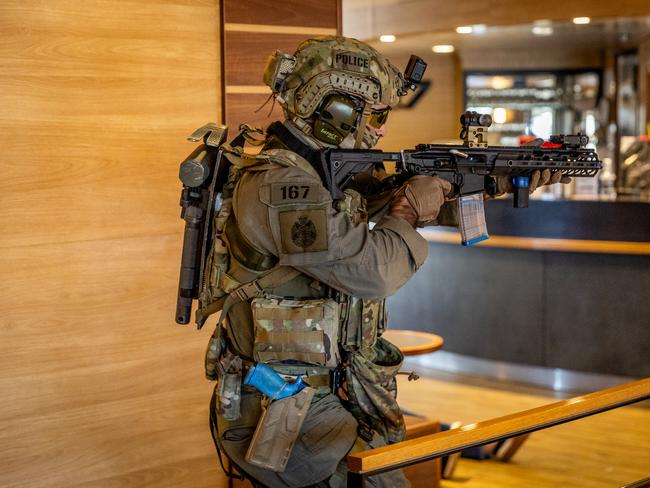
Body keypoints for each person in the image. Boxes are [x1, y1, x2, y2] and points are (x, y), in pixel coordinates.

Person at [201, 35, 563, 488]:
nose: (381, 130)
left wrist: (495, 181)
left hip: (329, 392)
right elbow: (370, 270)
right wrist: (408, 209)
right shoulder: (280, 185)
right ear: (334, 110)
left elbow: (377, 203)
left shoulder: (320, 173)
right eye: (375, 115)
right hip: (286, 409)